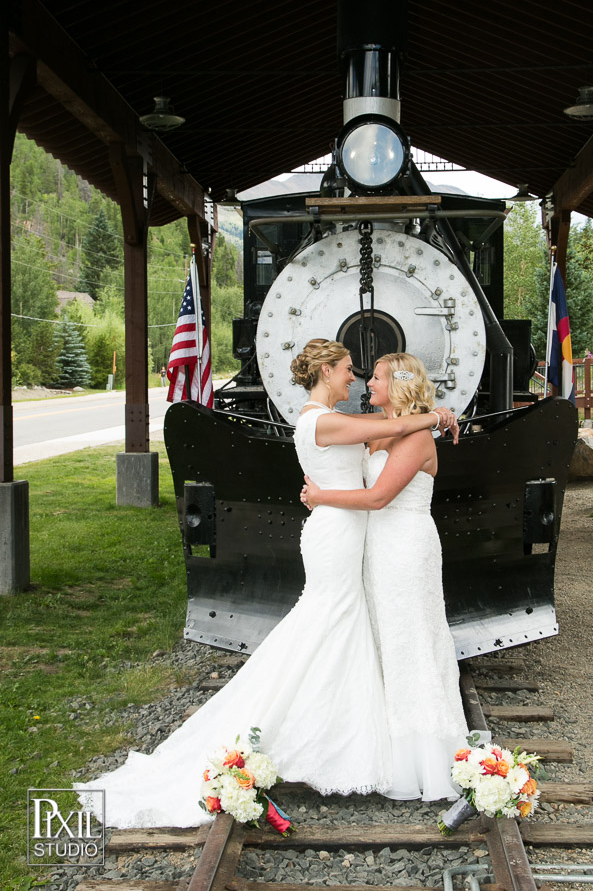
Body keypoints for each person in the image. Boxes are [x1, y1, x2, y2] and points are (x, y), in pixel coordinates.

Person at [75, 340, 457, 827]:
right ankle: (301, 728)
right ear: (325, 371)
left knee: (352, 629)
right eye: (348, 370)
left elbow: (395, 437)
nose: (357, 380)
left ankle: (348, 733)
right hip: (341, 533)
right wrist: (439, 416)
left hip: (376, 540)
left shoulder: (364, 428)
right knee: (329, 624)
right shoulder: (322, 420)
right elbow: (397, 434)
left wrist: (432, 420)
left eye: (372, 377)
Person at [301, 353, 477, 801]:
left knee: (410, 640)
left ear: (398, 384)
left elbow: (379, 497)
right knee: (383, 641)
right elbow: (351, 432)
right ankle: (385, 749)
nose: (365, 383)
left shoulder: (416, 438)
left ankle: (425, 758)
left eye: (375, 377)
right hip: (376, 548)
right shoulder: (380, 431)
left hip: (405, 547)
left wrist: (322, 496)